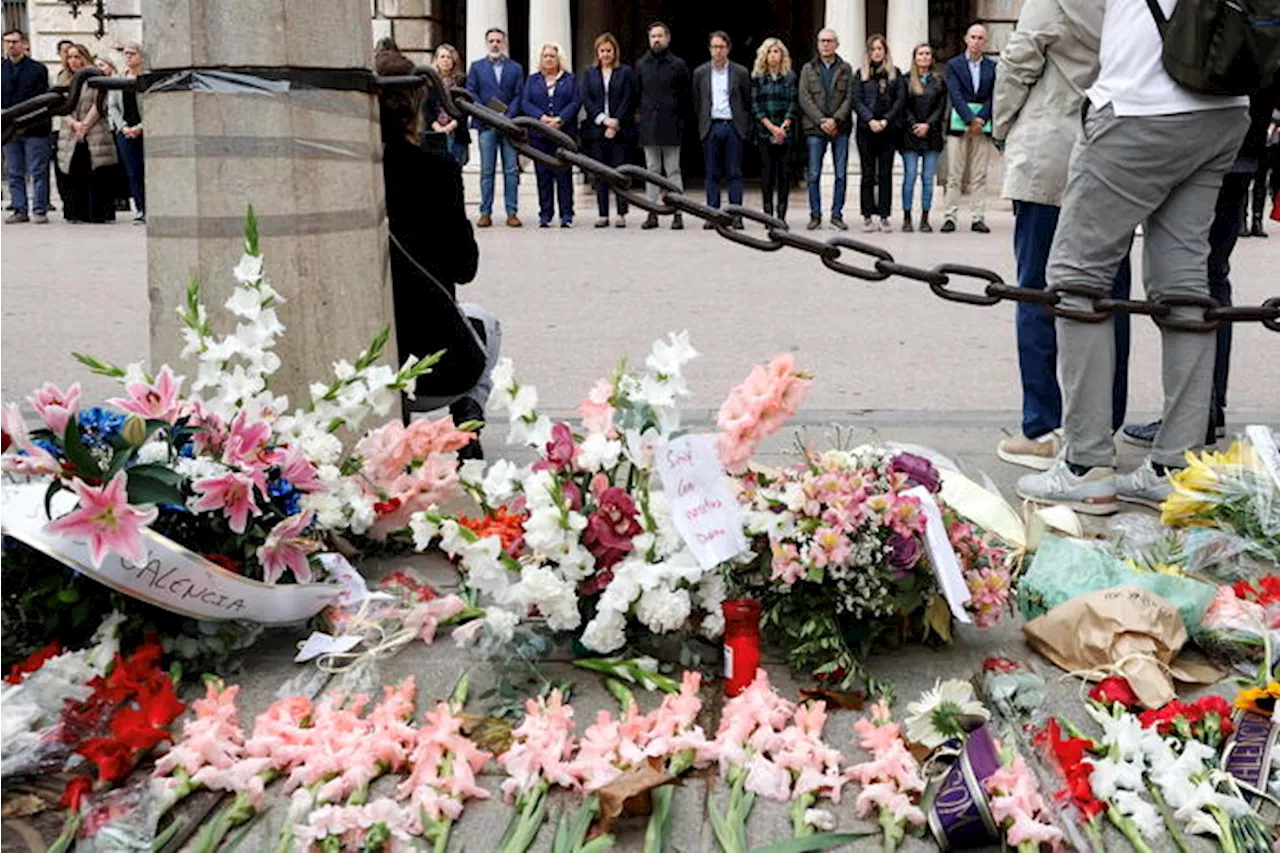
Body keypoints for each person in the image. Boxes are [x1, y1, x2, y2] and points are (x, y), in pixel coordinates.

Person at [1016, 0, 1250, 515]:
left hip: (1140, 105)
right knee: (1186, 284)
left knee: (1076, 279)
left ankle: (1085, 466)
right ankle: (1176, 466)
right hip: (1223, 107)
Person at [993, 0, 1133, 472]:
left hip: (1052, 150)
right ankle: (1100, 427)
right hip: (1115, 154)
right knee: (1111, 296)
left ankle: (1043, 427)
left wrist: (1002, 126)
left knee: (1036, 291)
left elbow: (1016, 62)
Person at [1120, 82, 1280, 454]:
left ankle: (1195, 414)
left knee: (1187, 280)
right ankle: (1210, 407)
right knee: (1213, 279)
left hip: (1207, 148)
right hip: (1244, 149)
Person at [375, 49, 499, 459]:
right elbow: (465, 268)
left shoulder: (350, 175)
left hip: (361, 370)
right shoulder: (439, 170)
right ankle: (469, 414)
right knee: (488, 325)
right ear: (417, 106)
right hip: (437, 369)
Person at [635, 21, 691, 230]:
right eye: (653, 36)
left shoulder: (678, 65)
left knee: (673, 171)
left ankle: (677, 213)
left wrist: (683, 124)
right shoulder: (641, 65)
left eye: (660, 36)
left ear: (668, 38)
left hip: (672, 126)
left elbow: (686, 98)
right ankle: (652, 213)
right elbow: (637, 95)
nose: (656, 40)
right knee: (651, 170)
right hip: (649, 127)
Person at [465, 28, 523, 228]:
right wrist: (489, 114)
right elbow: (472, 93)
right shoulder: (476, 67)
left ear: (504, 43)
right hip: (486, 125)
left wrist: (506, 116)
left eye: (499, 40)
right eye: (492, 41)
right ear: (486, 43)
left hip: (508, 126)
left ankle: (512, 212)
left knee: (511, 170)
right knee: (486, 171)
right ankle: (485, 212)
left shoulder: (515, 68)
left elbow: (518, 95)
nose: (495, 44)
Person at [941, 24, 997, 233]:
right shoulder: (953, 65)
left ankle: (978, 217)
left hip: (982, 127)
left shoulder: (993, 67)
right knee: (954, 174)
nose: (976, 41)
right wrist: (970, 118)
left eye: (980, 38)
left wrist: (981, 119)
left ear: (985, 41)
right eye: (973, 37)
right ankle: (950, 216)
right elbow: (954, 94)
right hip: (959, 125)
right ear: (966, 39)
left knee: (979, 175)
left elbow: (994, 96)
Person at [798, 28, 854, 230]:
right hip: (815, 128)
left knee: (840, 174)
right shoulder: (808, 68)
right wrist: (822, 120)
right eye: (822, 41)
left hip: (841, 129)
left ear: (837, 44)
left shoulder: (846, 68)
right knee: (814, 174)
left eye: (830, 41)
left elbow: (850, 97)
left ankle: (836, 215)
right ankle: (815, 215)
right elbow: (804, 97)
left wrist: (835, 120)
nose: (826, 44)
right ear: (817, 44)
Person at [57, 45, 119, 224]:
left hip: (94, 129)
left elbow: (99, 104)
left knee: (96, 171)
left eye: (77, 56)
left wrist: (85, 125)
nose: (73, 61)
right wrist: (74, 124)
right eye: (70, 57)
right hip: (70, 131)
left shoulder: (96, 77)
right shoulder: (63, 79)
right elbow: (60, 105)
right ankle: (76, 212)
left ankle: (98, 212)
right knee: (73, 171)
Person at [520, 43, 580, 228]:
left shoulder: (570, 79)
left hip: (563, 135)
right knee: (543, 175)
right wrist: (541, 118)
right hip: (539, 135)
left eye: (552, 56)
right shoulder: (533, 80)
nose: (548, 59)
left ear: (558, 58)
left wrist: (560, 119)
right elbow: (526, 101)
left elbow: (576, 101)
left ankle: (566, 215)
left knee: (564, 175)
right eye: (545, 56)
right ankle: (545, 214)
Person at [580, 32, 634, 228]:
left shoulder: (625, 72)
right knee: (600, 173)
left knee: (620, 173)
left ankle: (621, 213)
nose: (605, 54)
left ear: (615, 52)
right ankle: (603, 214)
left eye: (609, 50)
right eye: (602, 51)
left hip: (620, 130)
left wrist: (616, 122)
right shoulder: (589, 72)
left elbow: (628, 98)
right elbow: (587, 99)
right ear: (597, 53)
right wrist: (604, 121)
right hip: (597, 131)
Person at [853, 34, 904, 232]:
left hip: (888, 131)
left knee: (885, 173)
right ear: (868, 52)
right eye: (873, 49)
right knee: (867, 174)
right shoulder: (861, 74)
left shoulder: (894, 74)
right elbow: (856, 100)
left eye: (880, 49)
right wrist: (870, 120)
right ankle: (867, 215)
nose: (876, 52)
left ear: (885, 52)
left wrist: (885, 120)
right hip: (866, 130)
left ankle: (884, 215)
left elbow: (900, 100)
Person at [1, 29, 51, 224]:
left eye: (14, 42)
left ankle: (39, 209)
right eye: (7, 42)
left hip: (35, 128)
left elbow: (41, 99)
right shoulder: (1, 68)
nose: (11, 46)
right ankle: (19, 208)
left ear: (24, 44)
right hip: (8, 129)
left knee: (37, 170)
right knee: (14, 171)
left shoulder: (38, 69)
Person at [751, 37, 797, 224]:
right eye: (770, 51)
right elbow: (756, 105)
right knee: (767, 175)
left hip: (785, 132)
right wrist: (771, 127)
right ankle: (768, 213)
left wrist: (783, 127)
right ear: (764, 55)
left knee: (784, 175)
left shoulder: (790, 77)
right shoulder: (758, 78)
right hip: (765, 132)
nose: (773, 55)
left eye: (776, 51)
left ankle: (782, 215)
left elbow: (793, 103)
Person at [899, 44, 945, 232]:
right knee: (910, 176)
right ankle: (907, 217)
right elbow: (902, 105)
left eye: (927, 54)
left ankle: (925, 218)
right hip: (910, 135)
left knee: (927, 178)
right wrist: (914, 124)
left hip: (932, 135)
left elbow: (941, 107)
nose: (924, 57)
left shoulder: (939, 81)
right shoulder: (905, 80)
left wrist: (928, 124)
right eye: (920, 54)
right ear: (915, 57)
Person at [106, 42, 145, 224]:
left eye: (132, 53)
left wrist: (141, 126)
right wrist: (123, 127)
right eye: (126, 54)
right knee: (133, 171)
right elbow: (112, 107)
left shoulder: (146, 78)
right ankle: (141, 209)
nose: (128, 57)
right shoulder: (119, 79)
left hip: (145, 130)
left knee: (148, 171)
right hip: (126, 131)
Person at [425, 43, 470, 167]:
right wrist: (437, 126)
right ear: (436, 60)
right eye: (442, 57)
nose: (445, 60)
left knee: (455, 169)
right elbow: (425, 107)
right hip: (434, 131)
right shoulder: (428, 81)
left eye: (449, 57)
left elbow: (466, 107)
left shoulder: (461, 81)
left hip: (456, 132)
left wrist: (452, 125)